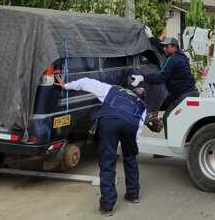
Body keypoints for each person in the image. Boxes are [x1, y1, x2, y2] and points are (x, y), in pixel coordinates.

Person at [55, 75, 147, 217]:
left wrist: (66, 85)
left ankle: (107, 206)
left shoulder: (114, 90)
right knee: (130, 158)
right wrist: (129, 148)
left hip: (109, 121)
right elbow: (138, 131)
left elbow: (87, 83)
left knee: (107, 162)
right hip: (130, 125)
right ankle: (133, 194)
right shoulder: (142, 106)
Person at [131, 37, 197, 136]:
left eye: (166, 46)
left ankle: (170, 146)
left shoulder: (174, 59)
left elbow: (161, 77)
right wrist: (151, 38)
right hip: (189, 93)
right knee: (175, 118)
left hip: (184, 95)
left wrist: (142, 77)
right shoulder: (181, 56)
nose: (164, 49)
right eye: (163, 46)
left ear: (174, 47)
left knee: (168, 117)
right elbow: (160, 53)